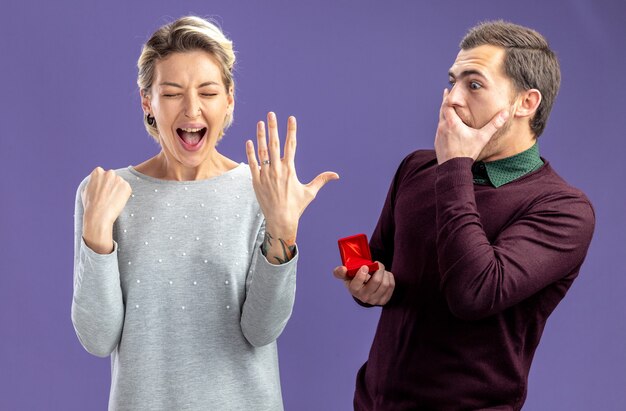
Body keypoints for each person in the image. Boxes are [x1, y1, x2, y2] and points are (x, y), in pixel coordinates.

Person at [72, 16, 338, 411]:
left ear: (229, 99)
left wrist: (283, 230)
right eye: (173, 93)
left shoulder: (260, 191)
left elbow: (261, 330)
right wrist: (97, 236)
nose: (192, 109)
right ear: (148, 101)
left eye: (208, 92)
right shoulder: (105, 195)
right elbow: (98, 338)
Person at [333, 20, 595, 410]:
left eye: (473, 85)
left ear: (526, 103)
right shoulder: (417, 168)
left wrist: (455, 163)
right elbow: (383, 263)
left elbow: (474, 293)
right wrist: (368, 286)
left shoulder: (563, 209)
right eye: (452, 81)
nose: (451, 98)